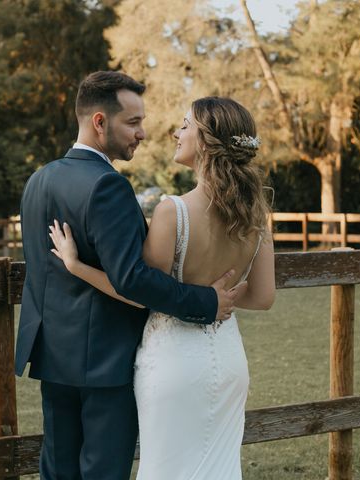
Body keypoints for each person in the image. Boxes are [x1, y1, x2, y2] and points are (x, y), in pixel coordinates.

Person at [16, 71, 241, 480]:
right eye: (133, 123)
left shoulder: (38, 181)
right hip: (105, 360)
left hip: (52, 356)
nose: (142, 133)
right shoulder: (107, 185)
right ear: (100, 122)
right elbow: (132, 279)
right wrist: (206, 301)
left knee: (58, 472)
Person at [49, 96, 276, 479]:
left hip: (173, 362)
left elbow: (138, 291)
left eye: (185, 125)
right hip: (228, 359)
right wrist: (219, 299)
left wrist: (76, 266)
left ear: (205, 141)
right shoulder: (255, 215)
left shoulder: (174, 210)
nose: (176, 131)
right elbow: (262, 297)